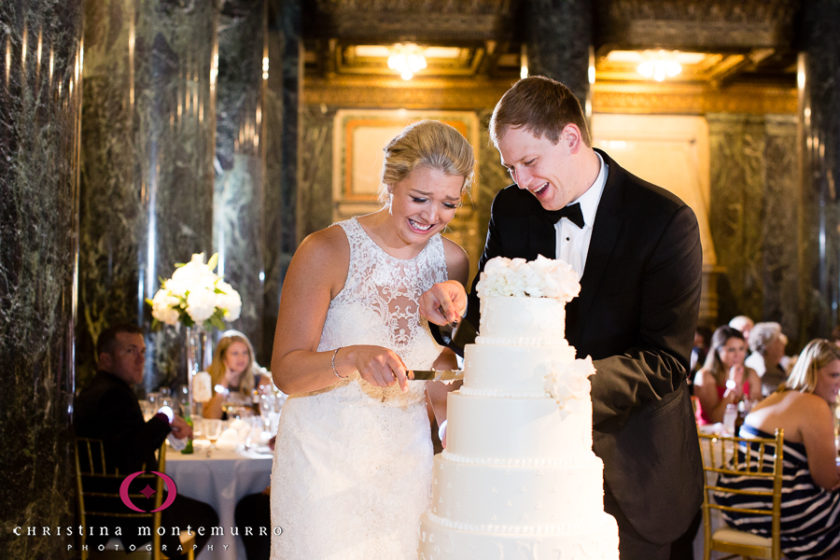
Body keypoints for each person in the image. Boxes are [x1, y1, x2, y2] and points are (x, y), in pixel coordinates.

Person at [420, 75, 703, 559]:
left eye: (530, 162)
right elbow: (487, 324)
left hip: (635, 471)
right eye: (511, 168)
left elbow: (666, 361)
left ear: (571, 138)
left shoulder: (664, 220)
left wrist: (564, 384)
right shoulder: (511, 209)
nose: (522, 182)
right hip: (526, 469)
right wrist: (449, 312)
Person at [268, 120, 474, 559]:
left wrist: (449, 423)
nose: (431, 216)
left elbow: (437, 368)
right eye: (419, 198)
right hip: (322, 459)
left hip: (407, 463)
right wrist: (350, 358)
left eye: (448, 204)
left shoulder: (452, 262)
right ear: (390, 182)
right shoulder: (325, 251)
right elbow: (286, 372)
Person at [74, 323, 219, 558]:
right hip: (128, 512)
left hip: (95, 507)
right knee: (206, 516)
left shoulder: (94, 391)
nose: (141, 359)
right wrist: (166, 416)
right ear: (105, 359)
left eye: (142, 351)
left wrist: (164, 420)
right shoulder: (114, 395)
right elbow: (133, 453)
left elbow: (124, 442)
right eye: (130, 351)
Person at [715, 339, 840, 560]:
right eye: (834, 375)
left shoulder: (775, 397)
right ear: (812, 372)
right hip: (774, 508)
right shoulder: (814, 405)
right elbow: (827, 480)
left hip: (738, 504)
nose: (839, 382)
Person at [693, 325, 762, 425]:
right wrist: (732, 388)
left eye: (741, 349)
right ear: (718, 351)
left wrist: (742, 397)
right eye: (731, 350)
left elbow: (757, 411)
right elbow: (716, 418)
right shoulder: (705, 376)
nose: (738, 354)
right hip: (712, 435)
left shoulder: (751, 373)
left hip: (741, 433)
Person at [202, 330, 271, 419]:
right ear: (223, 356)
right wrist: (224, 383)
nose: (241, 358)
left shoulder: (261, 380)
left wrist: (262, 399)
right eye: (235, 353)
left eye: (245, 352)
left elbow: (267, 416)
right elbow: (211, 418)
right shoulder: (209, 379)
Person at [745, 321, 789, 396]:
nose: (782, 343)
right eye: (777, 340)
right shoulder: (758, 368)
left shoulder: (775, 366)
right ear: (767, 346)